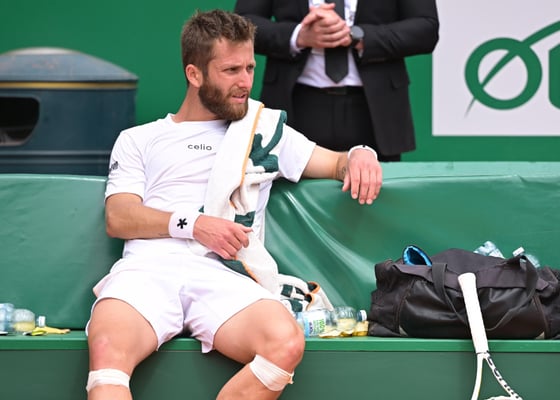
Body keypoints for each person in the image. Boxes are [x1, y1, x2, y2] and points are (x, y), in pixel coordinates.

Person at [85, 9, 381, 400]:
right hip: (147, 271)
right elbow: (119, 216)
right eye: (231, 71)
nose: (245, 82)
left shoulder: (265, 131)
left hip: (224, 274)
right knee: (107, 352)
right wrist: (195, 225)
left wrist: (360, 153)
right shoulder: (138, 138)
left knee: (285, 342)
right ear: (194, 74)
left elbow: (337, 162)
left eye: (250, 68)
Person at [234, 0, 439, 161]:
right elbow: (242, 23)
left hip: (375, 109)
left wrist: (358, 36)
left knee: (374, 195)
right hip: (295, 103)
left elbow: (426, 28)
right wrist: (298, 36)